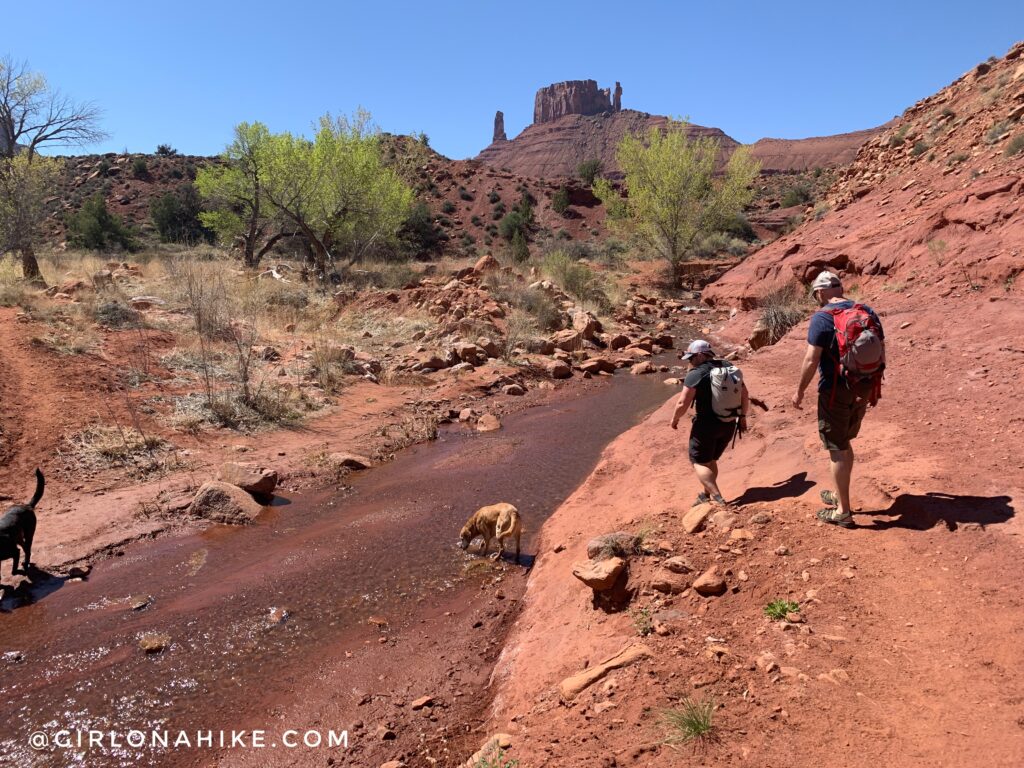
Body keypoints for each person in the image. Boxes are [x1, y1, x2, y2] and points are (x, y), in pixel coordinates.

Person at [792, 271, 884, 528]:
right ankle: (839, 493)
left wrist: (799, 391)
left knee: (837, 448)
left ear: (820, 293)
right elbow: (881, 349)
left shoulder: (822, 318)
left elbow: (811, 360)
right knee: (844, 442)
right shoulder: (865, 310)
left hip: (835, 391)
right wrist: (875, 387)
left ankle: (843, 511)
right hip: (863, 387)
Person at [670, 340, 750, 506]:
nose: (689, 362)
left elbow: (682, 402)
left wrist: (675, 418)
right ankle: (705, 495)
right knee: (710, 460)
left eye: (691, 358)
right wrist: (742, 417)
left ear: (700, 355)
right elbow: (744, 394)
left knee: (698, 461)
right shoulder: (728, 366)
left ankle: (718, 498)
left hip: (706, 426)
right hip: (728, 423)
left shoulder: (696, 373)